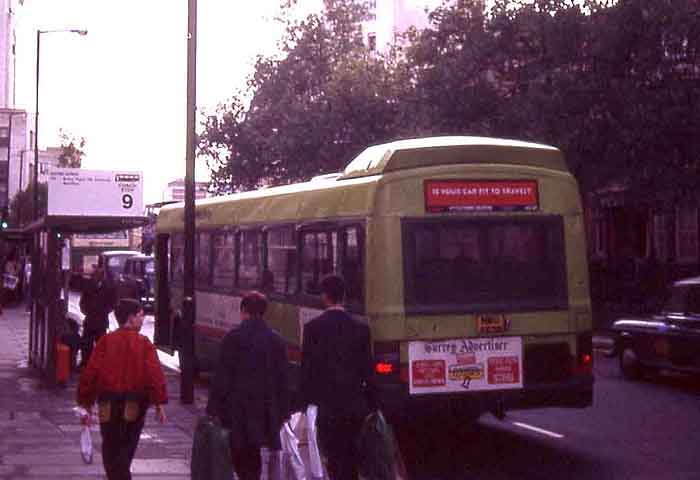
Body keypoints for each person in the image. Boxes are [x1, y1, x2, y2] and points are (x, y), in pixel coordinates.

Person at [77, 298, 167, 480]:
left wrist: (85, 402)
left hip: (107, 401)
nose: (143, 320)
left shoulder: (106, 341)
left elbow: (91, 372)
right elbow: (154, 375)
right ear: (131, 318)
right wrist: (159, 402)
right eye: (141, 316)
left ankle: (115, 476)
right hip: (134, 402)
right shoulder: (144, 344)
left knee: (110, 444)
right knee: (127, 444)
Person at [206, 291, 290, 480]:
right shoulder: (275, 339)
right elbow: (283, 379)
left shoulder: (233, 337)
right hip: (264, 408)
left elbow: (222, 376)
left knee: (241, 455)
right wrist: (283, 411)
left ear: (243, 311)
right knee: (254, 453)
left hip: (238, 409)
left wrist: (213, 408)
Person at [301, 274, 377, 480]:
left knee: (333, 458)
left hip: (327, 407)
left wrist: (303, 404)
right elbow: (368, 371)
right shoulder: (361, 329)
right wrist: (373, 406)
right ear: (343, 296)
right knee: (351, 457)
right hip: (354, 406)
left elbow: (307, 372)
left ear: (324, 297)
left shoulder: (312, 329)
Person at [79, 265, 116, 366]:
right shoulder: (89, 286)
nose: (95, 278)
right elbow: (83, 301)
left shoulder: (108, 288)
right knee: (86, 343)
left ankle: (101, 364)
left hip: (101, 320)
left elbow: (112, 302)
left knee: (101, 344)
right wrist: (86, 310)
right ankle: (86, 362)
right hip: (90, 319)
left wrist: (104, 311)